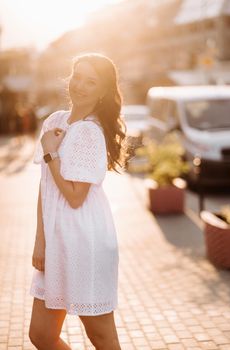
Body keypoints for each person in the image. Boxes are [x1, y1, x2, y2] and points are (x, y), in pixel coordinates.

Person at [28, 52, 129, 350]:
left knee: (101, 336)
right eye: (77, 76)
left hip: (86, 241)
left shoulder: (90, 132)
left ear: (103, 91)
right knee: (41, 335)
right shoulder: (55, 121)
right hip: (57, 239)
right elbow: (45, 187)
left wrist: (51, 153)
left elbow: (74, 197)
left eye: (91, 81)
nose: (80, 86)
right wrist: (40, 240)